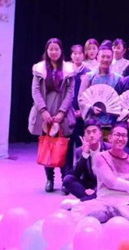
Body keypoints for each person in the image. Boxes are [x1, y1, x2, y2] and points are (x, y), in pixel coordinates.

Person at [29, 38, 76, 192]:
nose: (54, 52)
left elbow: (70, 93)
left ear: (61, 51)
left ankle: (66, 180)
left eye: (56, 49)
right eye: (51, 49)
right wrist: (43, 111)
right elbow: (35, 91)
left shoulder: (69, 69)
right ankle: (49, 179)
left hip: (63, 113)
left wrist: (62, 112)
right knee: (48, 146)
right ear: (47, 51)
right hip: (45, 113)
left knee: (65, 148)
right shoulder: (39, 69)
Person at [62, 119, 110, 204]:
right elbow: (76, 175)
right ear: (84, 135)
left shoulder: (108, 149)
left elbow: (111, 175)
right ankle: (92, 199)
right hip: (88, 185)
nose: (91, 135)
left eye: (94, 132)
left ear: (100, 134)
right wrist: (84, 155)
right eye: (88, 132)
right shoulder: (79, 151)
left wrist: (95, 190)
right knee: (67, 179)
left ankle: (82, 202)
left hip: (104, 184)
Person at [78, 45, 122, 132]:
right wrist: (91, 108)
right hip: (92, 124)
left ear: (112, 58)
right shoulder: (89, 77)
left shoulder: (118, 79)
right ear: (97, 57)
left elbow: (121, 100)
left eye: (108, 57)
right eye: (103, 56)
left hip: (112, 124)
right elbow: (81, 99)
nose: (105, 59)